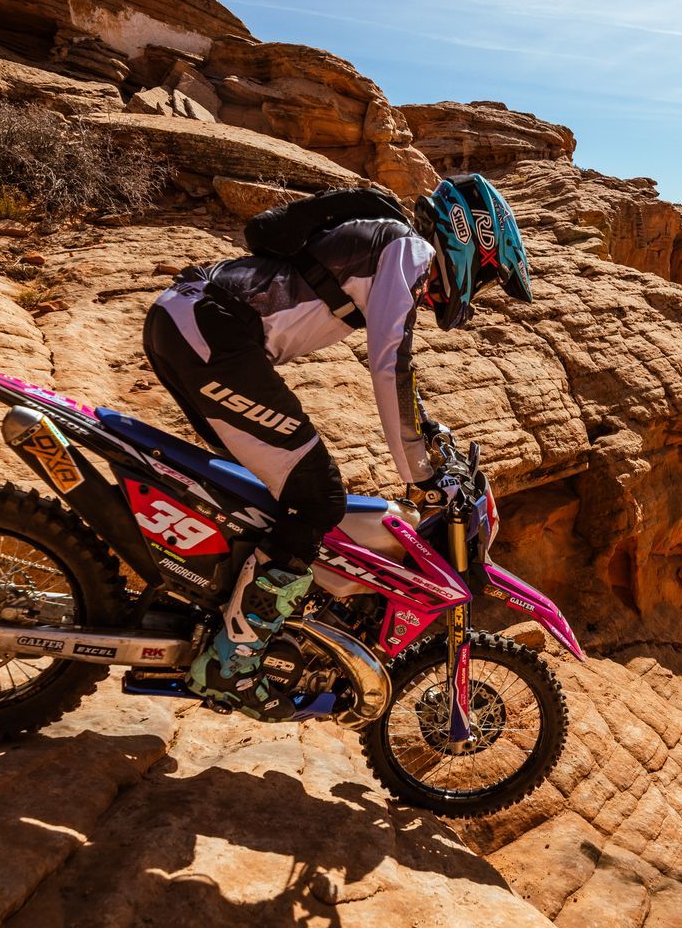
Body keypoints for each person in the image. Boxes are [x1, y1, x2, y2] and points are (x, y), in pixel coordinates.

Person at [142, 174, 531, 715]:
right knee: (318, 495)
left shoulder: (390, 245)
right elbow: (391, 363)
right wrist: (419, 473)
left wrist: (431, 436)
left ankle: (198, 609)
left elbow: (402, 376)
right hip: (213, 332)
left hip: (192, 323)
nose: (476, 291)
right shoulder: (406, 249)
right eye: (485, 278)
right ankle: (232, 662)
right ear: (471, 242)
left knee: (263, 493)